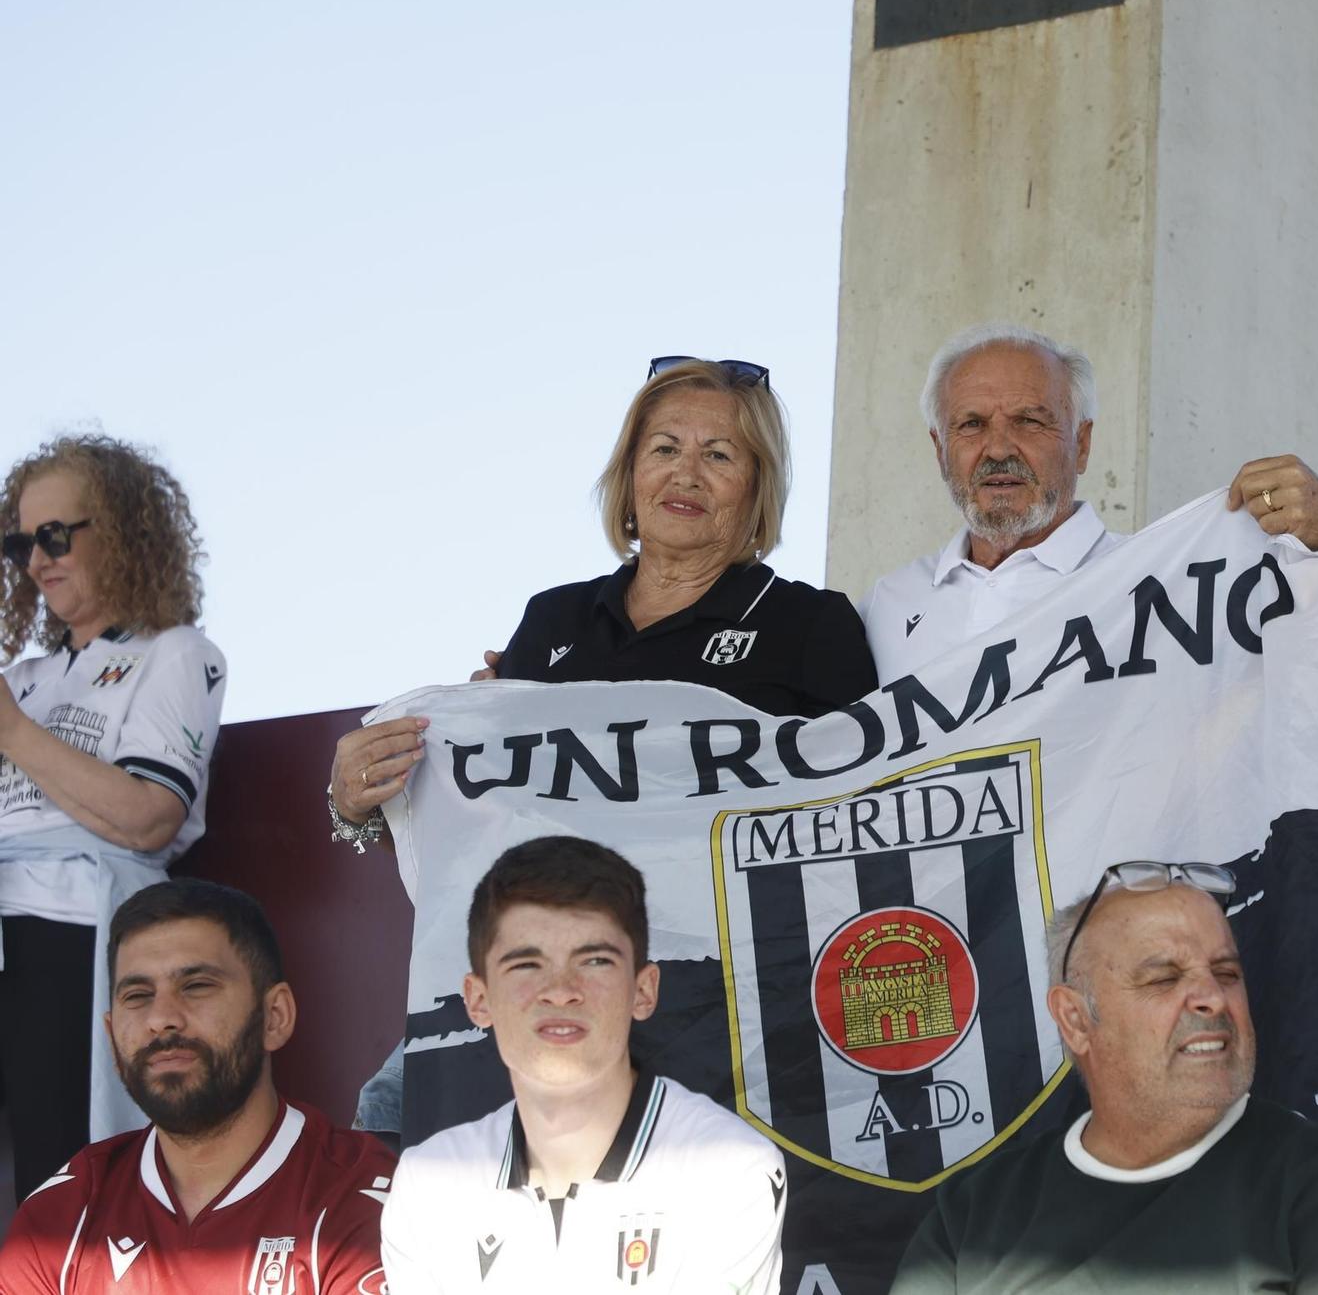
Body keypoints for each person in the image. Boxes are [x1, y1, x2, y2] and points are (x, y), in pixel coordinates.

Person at [326, 357, 877, 1139]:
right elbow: (480, 814)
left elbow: (864, 805)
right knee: (388, 1120)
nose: (685, 472)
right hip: (534, 961)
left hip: (715, 978)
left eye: (720, 455)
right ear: (628, 473)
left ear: (756, 489)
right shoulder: (552, 621)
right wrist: (356, 798)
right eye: (663, 448)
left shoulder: (809, 625)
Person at [889, 860, 1318, 1294]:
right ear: (1076, 1020)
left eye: (1227, 973)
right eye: (1164, 978)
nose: (1213, 998)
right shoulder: (972, 1214)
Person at [861, 323, 1318, 677]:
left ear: (1081, 444)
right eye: (971, 425)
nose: (998, 448)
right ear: (939, 449)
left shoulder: (1175, 588)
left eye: (1029, 421)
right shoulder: (886, 606)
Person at [381, 836, 786, 1292]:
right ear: (478, 1000)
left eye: (594, 960)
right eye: (526, 964)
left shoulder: (728, 1169)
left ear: (643, 990)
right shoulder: (428, 1184)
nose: (561, 990)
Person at [0, 434, 227, 1201]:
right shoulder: (22, 678)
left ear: (124, 531)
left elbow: (150, 817)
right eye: (19, 542)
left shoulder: (177, 652)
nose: (36, 559)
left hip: (73, 933)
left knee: (56, 1179)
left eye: (55, 535)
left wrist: (15, 735)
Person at [0, 879, 397, 1292]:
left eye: (196, 986)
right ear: (112, 1036)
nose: (162, 1018)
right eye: (137, 995)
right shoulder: (60, 1219)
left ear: (274, 1016)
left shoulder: (362, 1201)